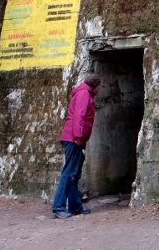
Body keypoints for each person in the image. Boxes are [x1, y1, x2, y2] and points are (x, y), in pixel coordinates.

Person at [51, 74, 101, 218]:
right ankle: (58, 207)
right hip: (74, 139)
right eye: (99, 87)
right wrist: (79, 137)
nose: (99, 90)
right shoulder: (84, 94)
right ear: (95, 85)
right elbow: (79, 116)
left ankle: (75, 206)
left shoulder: (84, 93)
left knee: (74, 174)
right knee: (69, 173)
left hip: (74, 138)